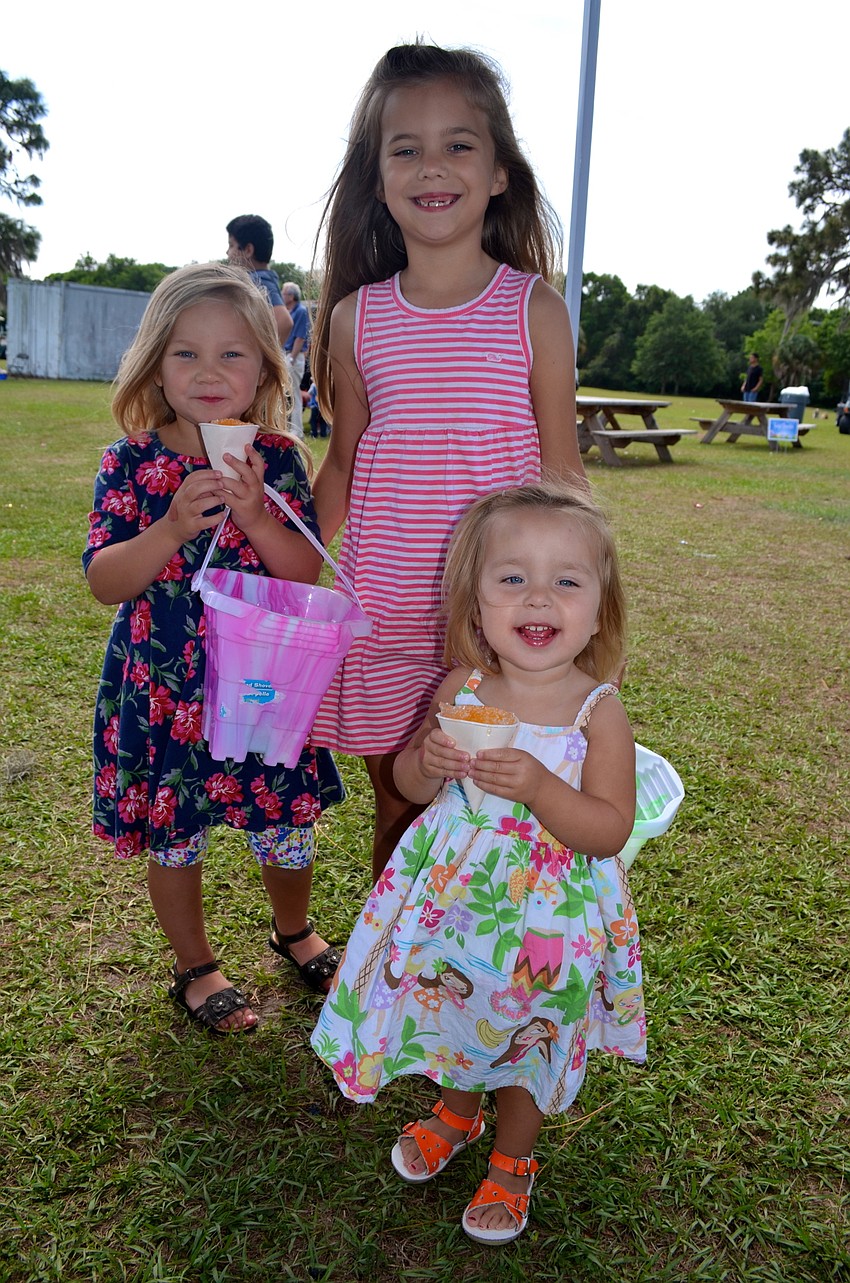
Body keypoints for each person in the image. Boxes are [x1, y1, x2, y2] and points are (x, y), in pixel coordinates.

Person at [311, 481, 644, 1245]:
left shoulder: (600, 712)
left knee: (529, 1032)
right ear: (477, 602)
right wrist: (427, 761)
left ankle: (513, 1156)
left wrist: (539, 785)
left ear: (599, 606)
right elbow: (404, 783)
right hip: (456, 905)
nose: (539, 596)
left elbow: (606, 828)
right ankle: (456, 1110)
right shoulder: (462, 687)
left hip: (547, 922)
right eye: (512, 576)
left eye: (567, 579)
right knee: (457, 1008)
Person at [308, 42, 586, 882]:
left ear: (499, 171)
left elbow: (566, 482)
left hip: (497, 625)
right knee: (403, 802)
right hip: (385, 615)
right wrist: (283, 561)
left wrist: (582, 606)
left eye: (459, 143)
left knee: (492, 815)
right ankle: (394, 973)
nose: (433, 166)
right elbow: (346, 465)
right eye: (407, 148)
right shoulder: (356, 318)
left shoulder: (533, 310)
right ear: (379, 177)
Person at [84, 262, 344, 1036]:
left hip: (263, 688)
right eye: (186, 353)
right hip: (168, 688)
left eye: (232, 354)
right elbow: (105, 579)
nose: (208, 372)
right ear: (155, 364)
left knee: (286, 824)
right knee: (178, 834)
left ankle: (292, 929)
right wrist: (168, 527)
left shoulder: (280, 459)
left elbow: (303, 571)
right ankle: (196, 965)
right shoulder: (129, 462)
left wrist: (260, 515)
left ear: (265, 368)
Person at [226, 214, 293, 348]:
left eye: (231, 245)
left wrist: (258, 356)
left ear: (248, 250)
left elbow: (284, 321)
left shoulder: (256, 280)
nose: (227, 252)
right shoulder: (265, 279)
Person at [282, 282, 310, 438]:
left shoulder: (300, 311)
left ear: (291, 296)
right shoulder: (289, 311)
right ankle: (288, 427)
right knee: (287, 394)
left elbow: (300, 337)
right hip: (287, 354)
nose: (282, 297)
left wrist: (291, 358)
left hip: (292, 355)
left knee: (294, 394)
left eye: (284, 294)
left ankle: (297, 430)